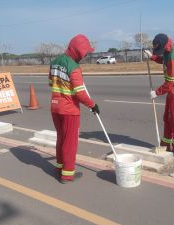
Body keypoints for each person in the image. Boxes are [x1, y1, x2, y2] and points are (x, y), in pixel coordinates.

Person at [48, 34, 99, 183]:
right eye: (84, 52)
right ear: (78, 51)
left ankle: (59, 167)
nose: (84, 56)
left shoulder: (55, 62)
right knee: (70, 142)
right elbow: (80, 94)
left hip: (55, 108)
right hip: (69, 110)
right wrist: (93, 105)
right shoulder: (74, 67)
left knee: (61, 139)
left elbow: (51, 83)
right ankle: (67, 174)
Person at [144, 33, 174, 156]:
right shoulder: (169, 49)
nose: (159, 52)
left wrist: (156, 93)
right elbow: (163, 60)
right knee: (167, 118)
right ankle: (166, 143)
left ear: (164, 46)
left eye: (159, 50)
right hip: (172, 91)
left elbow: (169, 82)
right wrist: (152, 57)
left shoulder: (173, 57)